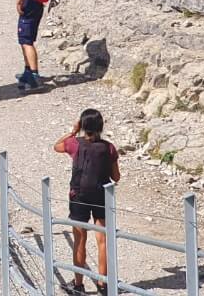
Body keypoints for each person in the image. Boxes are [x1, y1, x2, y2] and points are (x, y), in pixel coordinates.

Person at [53, 108, 121, 293]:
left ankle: (78, 285)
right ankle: (103, 284)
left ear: (82, 125)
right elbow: (116, 177)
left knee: (80, 239)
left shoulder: (74, 144)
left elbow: (56, 146)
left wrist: (73, 131)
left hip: (79, 196)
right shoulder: (109, 148)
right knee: (103, 240)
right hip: (101, 195)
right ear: (101, 126)